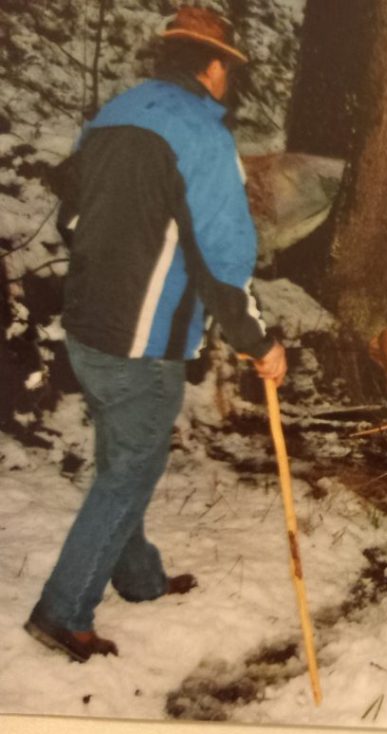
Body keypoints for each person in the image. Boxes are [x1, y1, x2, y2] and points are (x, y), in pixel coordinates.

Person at [25, 6, 287, 663]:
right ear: (215, 67)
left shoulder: (113, 115)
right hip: (140, 343)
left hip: (86, 326)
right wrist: (258, 341)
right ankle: (63, 612)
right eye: (229, 70)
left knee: (124, 459)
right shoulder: (202, 137)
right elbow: (223, 257)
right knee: (129, 472)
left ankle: (138, 576)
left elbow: (71, 216)